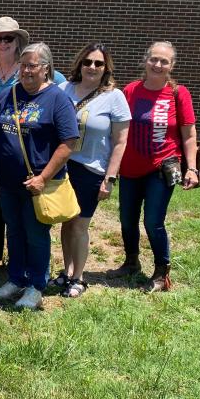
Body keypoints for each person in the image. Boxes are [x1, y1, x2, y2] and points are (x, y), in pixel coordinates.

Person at [0, 17, 69, 272]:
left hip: (32, 157)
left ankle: (34, 274)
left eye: (8, 38)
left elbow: (60, 93)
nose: (2, 42)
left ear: (17, 41)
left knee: (30, 223)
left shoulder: (38, 71)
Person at [0, 43, 77, 310]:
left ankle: (36, 286)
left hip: (38, 185)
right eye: (23, 65)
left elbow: (68, 143)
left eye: (32, 66)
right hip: (7, 182)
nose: (26, 71)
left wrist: (43, 178)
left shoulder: (57, 99)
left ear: (46, 68)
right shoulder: (9, 94)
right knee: (14, 232)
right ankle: (16, 278)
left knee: (36, 235)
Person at [117, 41, 200, 292]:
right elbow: (119, 130)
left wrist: (192, 168)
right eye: (154, 59)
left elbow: (189, 135)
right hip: (130, 167)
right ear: (145, 61)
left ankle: (161, 273)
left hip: (162, 168)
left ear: (172, 65)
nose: (158, 64)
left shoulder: (178, 94)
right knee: (127, 220)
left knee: (153, 221)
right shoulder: (130, 91)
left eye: (164, 61)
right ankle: (131, 262)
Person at [54, 43, 130, 297]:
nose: (92, 67)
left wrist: (110, 178)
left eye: (98, 63)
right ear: (80, 64)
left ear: (106, 68)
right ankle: (66, 272)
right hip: (63, 167)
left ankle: (79, 277)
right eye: (88, 62)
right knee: (66, 222)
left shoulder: (114, 97)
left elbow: (120, 142)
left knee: (79, 225)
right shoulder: (63, 89)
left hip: (91, 169)